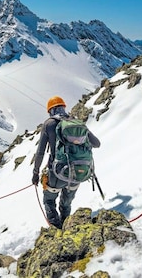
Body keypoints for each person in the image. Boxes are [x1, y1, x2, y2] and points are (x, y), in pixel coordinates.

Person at [31, 96, 100, 229]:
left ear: (50, 110)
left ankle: (56, 230)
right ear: (63, 107)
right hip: (77, 173)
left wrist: (35, 173)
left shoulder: (49, 124)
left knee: (49, 200)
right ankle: (67, 224)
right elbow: (96, 143)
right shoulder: (76, 123)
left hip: (56, 173)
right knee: (66, 204)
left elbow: (40, 153)